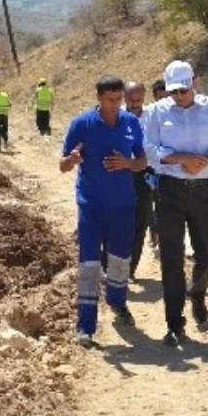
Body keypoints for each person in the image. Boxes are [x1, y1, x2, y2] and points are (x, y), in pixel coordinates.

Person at [142, 60, 208, 347]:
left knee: (207, 253)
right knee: (172, 257)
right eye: (173, 92)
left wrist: (205, 161)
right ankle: (174, 323)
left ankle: (197, 294)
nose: (179, 96)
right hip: (170, 190)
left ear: (195, 82)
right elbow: (149, 148)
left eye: (183, 90)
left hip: (204, 189)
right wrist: (181, 158)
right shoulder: (155, 112)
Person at [60, 75, 147, 347]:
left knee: (120, 258)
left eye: (119, 99)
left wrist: (127, 163)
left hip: (123, 203)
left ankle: (118, 303)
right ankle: (85, 325)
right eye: (110, 99)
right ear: (98, 98)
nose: (116, 104)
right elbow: (62, 165)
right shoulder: (81, 124)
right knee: (89, 262)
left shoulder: (131, 123)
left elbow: (142, 161)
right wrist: (72, 160)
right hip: (92, 204)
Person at [122, 81, 156, 279]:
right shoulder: (116, 117)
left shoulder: (153, 117)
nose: (135, 105)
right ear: (124, 98)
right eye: (131, 100)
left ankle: (129, 269)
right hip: (120, 174)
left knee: (139, 222)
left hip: (145, 174)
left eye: (138, 100)